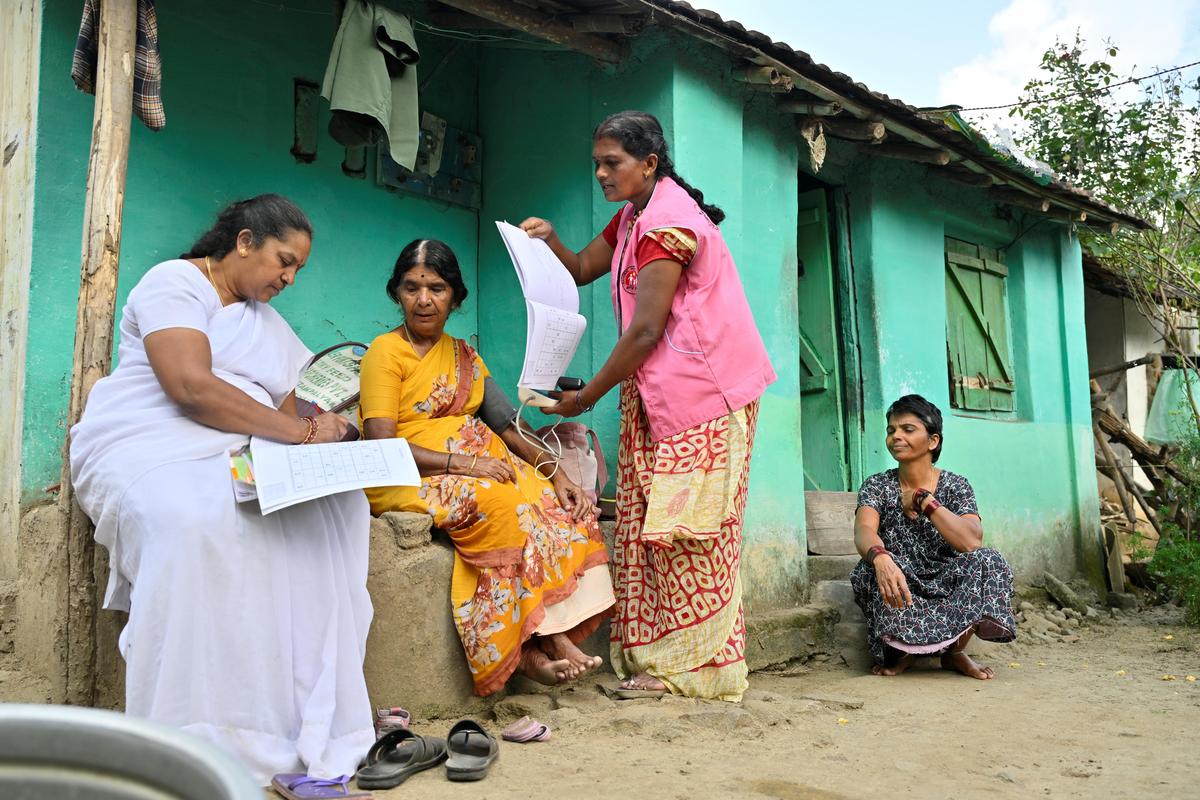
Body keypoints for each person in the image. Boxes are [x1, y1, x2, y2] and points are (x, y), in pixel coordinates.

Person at [69, 195, 375, 785]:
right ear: (243, 242)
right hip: (149, 441)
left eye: (297, 270)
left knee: (335, 510)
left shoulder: (270, 325)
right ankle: (185, 737)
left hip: (237, 449)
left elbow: (289, 410)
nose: (288, 278)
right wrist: (303, 431)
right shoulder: (176, 284)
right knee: (188, 518)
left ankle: (282, 724)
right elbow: (190, 386)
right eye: (283, 261)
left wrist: (331, 435)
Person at [519, 110, 776, 701]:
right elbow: (584, 267)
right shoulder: (633, 216)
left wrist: (583, 398)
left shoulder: (667, 224)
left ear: (649, 164)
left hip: (706, 398)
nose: (602, 174)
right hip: (662, 395)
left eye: (612, 163)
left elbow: (644, 332)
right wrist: (546, 238)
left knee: (695, 536)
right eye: (597, 165)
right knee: (647, 528)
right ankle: (656, 664)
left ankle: (700, 672)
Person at [359, 239, 613, 697]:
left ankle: (546, 636)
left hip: (479, 466)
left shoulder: (466, 357)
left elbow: (509, 428)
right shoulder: (385, 352)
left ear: (455, 297)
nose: (423, 299)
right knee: (503, 506)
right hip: (408, 474)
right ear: (396, 293)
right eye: (411, 287)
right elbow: (381, 441)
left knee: (555, 504)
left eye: (436, 288)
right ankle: (535, 647)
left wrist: (556, 472)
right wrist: (467, 463)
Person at [850, 394, 1017, 679]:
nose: (896, 437)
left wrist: (925, 501)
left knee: (989, 560)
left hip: (945, 579)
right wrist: (881, 558)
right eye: (891, 430)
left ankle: (954, 653)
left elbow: (970, 541)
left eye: (907, 429)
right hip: (902, 581)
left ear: (933, 441)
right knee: (867, 568)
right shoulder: (877, 485)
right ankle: (902, 652)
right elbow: (864, 530)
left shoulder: (955, 485)